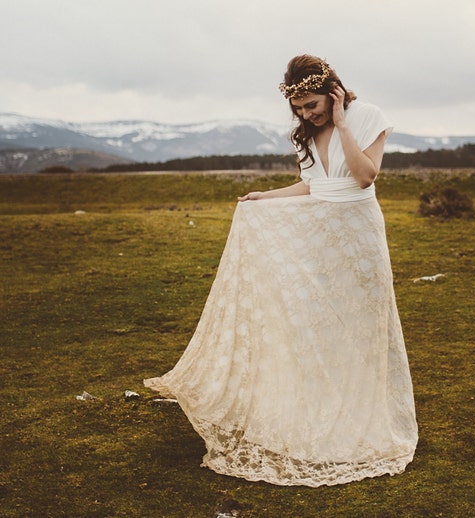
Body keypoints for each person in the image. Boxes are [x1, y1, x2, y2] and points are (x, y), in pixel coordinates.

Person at [144, 55, 418, 487]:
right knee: (321, 324)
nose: (307, 115)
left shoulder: (367, 117)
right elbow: (313, 185)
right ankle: (322, 411)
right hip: (320, 235)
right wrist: (266, 198)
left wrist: (343, 123)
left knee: (360, 325)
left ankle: (361, 417)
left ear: (332, 92)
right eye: (300, 109)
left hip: (359, 236)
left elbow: (364, 176)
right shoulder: (305, 134)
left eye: (312, 105)